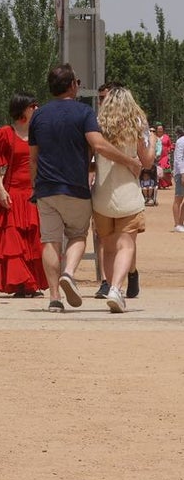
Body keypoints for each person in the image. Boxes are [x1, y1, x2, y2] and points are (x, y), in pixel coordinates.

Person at [29, 63, 142, 313]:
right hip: (74, 186)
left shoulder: (38, 115)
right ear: (72, 86)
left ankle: (55, 299)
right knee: (78, 235)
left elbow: (33, 158)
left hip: (45, 188)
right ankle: (68, 273)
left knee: (49, 241)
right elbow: (98, 145)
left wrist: (33, 186)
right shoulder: (83, 112)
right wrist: (129, 161)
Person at [91, 87, 155, 313]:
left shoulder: (97, 124)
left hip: (102, 195)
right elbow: (146, 162)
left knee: (108, 247)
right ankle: (117, 289)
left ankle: (109, 285)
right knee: (126, 245)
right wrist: (153, 141)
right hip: (128, 193)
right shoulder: (136, 125)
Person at [0, 93, 47, 297]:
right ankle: (20, 284)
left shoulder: (39, 132)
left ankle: (31, 283)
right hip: (12, 192)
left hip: (33, 192)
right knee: (13, 240)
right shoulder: (5, 133)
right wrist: (1, 190)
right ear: (22, 109)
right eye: (33, 106)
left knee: (33, 240)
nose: (37, 109)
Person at [174, 127, 184, 233]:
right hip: (180, 173)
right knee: (178, 198)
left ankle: (182, 222)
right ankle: (177, 224)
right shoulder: (181, 141)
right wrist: (182, 173)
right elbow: (179, 158)